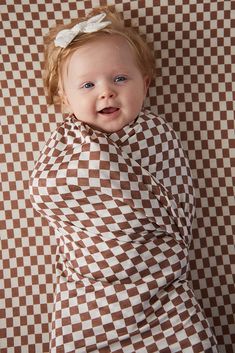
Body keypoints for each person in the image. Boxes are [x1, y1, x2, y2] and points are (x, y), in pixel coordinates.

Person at [29, 6, 218, 353]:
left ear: (145, 84)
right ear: (63, 99)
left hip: (160, 284)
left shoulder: (155, 133)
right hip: (89, 287)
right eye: (88, 84)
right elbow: (44, 189)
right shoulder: (64, 142)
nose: (106, 92)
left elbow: (177, 196)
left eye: (120, 79)